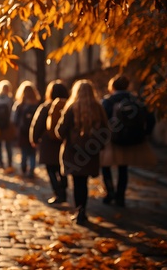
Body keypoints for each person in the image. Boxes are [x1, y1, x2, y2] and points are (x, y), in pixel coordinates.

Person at [56, 79, 109, 225]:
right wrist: (98, 145)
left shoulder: (71, 107)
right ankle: (83, 210)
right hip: (90, 153)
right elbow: (106, 130)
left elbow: (60, 131)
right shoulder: (98, 108)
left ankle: (79, 211)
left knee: (77, 182)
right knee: (84, 182)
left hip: (73, 153)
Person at [100, 75, 156, 207]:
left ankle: (110, 192)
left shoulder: (108, 101)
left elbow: (102, 120)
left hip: (111, 140)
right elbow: (151, 118)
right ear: (127, 86)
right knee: (123, 168)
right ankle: (120, 196)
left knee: (105, 166)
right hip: (131, 138)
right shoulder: (136, 99)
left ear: (112, 87)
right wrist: (147, 133)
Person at [30, 81, 69, 203]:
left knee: (51, 169)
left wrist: (34, 139)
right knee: (62, 169)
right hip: (63, 142)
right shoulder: (68, 105)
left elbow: (37, 124)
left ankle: (58, 194)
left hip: (48, 144)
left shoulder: (45, 107)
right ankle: (64, 192)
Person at [12, 81, 41, 178]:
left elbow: (14, 120)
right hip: (34, 132)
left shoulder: (20, 105)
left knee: (24, 152)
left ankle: (23, 169)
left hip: (22, 132)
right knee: (32, 153)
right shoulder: (37, 104)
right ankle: (31, 171)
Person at [0, 80, 16, 173]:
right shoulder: (10, 99)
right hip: (8, 126)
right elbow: (13, 113)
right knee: (8, 146)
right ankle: (9, 164)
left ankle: (1, 164)